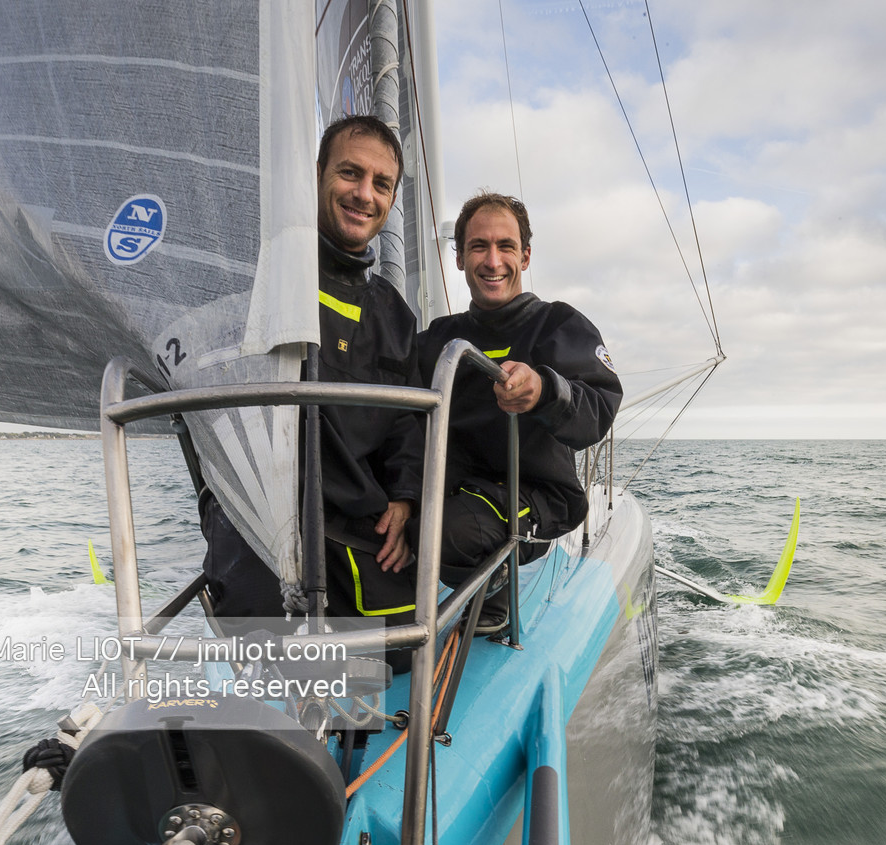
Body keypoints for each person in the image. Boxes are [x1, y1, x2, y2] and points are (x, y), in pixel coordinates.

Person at [201, 115, 422, 648]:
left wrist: (407, 499)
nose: (364, 194)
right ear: (318, 173)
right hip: (264, 519)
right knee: (277, 666)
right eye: (350, 173)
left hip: (359, 524)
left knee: (388, 660)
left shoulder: (394, 315)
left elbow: (408, 425)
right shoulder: (261, 277)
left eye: (381, 183)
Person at [417, 192, 622, 632]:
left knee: (450, 534)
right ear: (459, 258)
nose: (493, 261)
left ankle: (492, 586)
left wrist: (546, 390)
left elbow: (600, 408)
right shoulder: (436, 338)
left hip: (536, 494)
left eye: (506, 247)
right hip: (456, 487)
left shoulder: (560, 325)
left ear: (525, 256)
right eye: (478, 246)